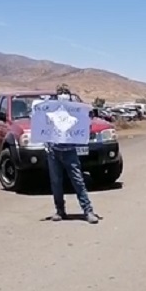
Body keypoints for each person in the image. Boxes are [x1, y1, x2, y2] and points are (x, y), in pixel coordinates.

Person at [44, 85, 99, 224]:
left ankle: (88, 211)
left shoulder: (75, 112)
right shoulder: (50, 111)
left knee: (78, 181)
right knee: (56, 182)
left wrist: (88, 113)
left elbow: (86, 123)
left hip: (70, 152)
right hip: (53, 152)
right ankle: (60, 211)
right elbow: (40, 123)